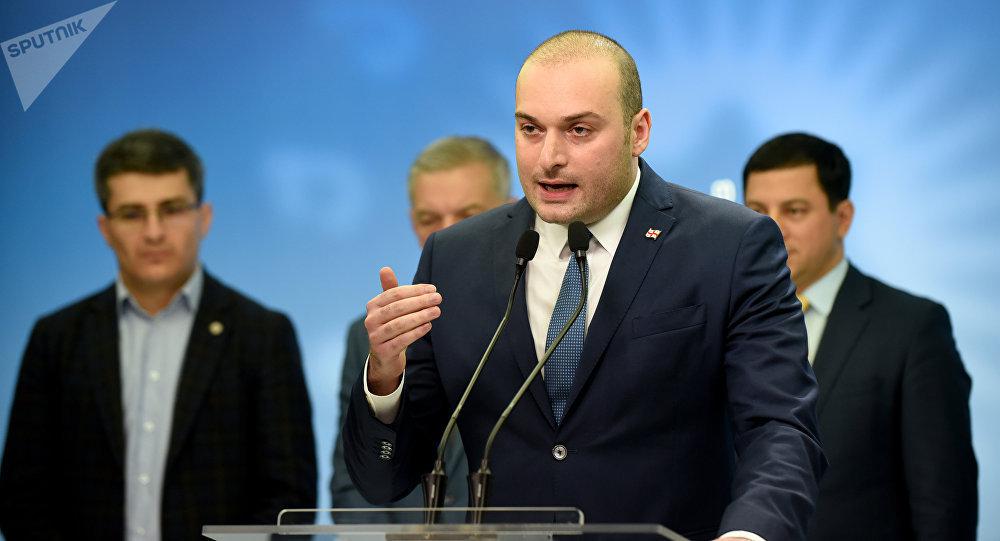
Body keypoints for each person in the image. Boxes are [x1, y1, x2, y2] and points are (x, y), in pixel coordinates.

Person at [343, 31, 825, 541]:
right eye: (531, 129)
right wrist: (385, 380)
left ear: (639, 131)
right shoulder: (456, 257)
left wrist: (749, 535)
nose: (548, 157)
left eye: (578, 130)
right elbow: (384, 479)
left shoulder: (729, 245)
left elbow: (780, 429)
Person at [0, 129, 317, 540]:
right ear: (105, 228)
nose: (153, 232)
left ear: (204, 218)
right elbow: (23, 497)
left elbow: (289, 505)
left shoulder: (262, 335)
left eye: (171, 209)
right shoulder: (57, 338)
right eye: (132, 214)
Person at [742, 132, 977, 540]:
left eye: (794, 210)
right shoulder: (724, 318)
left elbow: (943, 506)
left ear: (843, 217)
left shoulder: (912, 329)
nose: (772, 228)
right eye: (757, 211)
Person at [331, 136, 512, 520]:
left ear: (508, 212)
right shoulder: (373, 336)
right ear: (413, 222)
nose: (445, 234)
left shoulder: (541, 319)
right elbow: (352, 489)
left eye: (468, 215)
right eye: (429, 220)